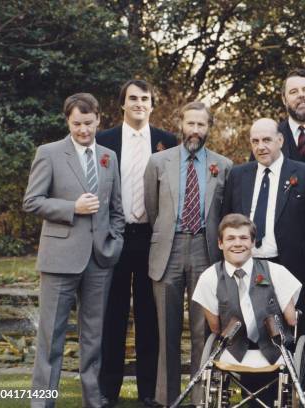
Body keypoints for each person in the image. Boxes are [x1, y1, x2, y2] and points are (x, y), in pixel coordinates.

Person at [23, 93, 125, 407]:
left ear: (99, 120)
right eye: (77, 123)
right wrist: (72, 207)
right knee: (50, 340)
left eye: (88, 123)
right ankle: (42, 402)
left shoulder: (109, 156)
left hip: (99, 261)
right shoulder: (49, 153)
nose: (83, 129)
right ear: (68, 121)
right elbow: (32, 201)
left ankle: (92, 401)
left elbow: (117, 210)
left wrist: (114, 244)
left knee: (93, 340)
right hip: (59, 260)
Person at [222, 118, 305, 390]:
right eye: (255, 141)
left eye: (267, 140)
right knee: (254, 333)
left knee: (295, 333)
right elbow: (228, 219)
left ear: (280, 141)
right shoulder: (238, 175)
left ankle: (300, 393)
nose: (261, 146)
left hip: (289, 267)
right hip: (249, 267)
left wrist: (299, 254)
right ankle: (257, 396)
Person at [143, 101, 233, 407]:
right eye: (190, 123)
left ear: (209, 128)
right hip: (167, 249)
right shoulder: (158, 162)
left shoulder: (223, 165)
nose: (195, 130)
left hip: (205, 251)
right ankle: (167, 398)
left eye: (201, 125)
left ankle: (199, 396)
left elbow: (225, 213)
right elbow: (153, 210)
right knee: (167, 330)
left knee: (203, 329)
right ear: (181, 124)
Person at [96, 79, 177, 408]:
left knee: (149, 316)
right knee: (112, 315)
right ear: (123, 104)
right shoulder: (105, 140)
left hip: (151, 236)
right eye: (133, 98)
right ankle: (107, 390)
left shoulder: (166, 141)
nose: (139, 103)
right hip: (115, 235)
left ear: (152, 104)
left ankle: (148, 390)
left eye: (145, 98)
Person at [192, 213, 301, 406]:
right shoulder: (209, 278)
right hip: (234, 348)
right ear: (220, 243)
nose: (237, 243)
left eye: (243, 238)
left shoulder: (275, 272)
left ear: (253, 243)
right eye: (230, 238)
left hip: (273, 348)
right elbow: (216, 328)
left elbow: (291, 320)